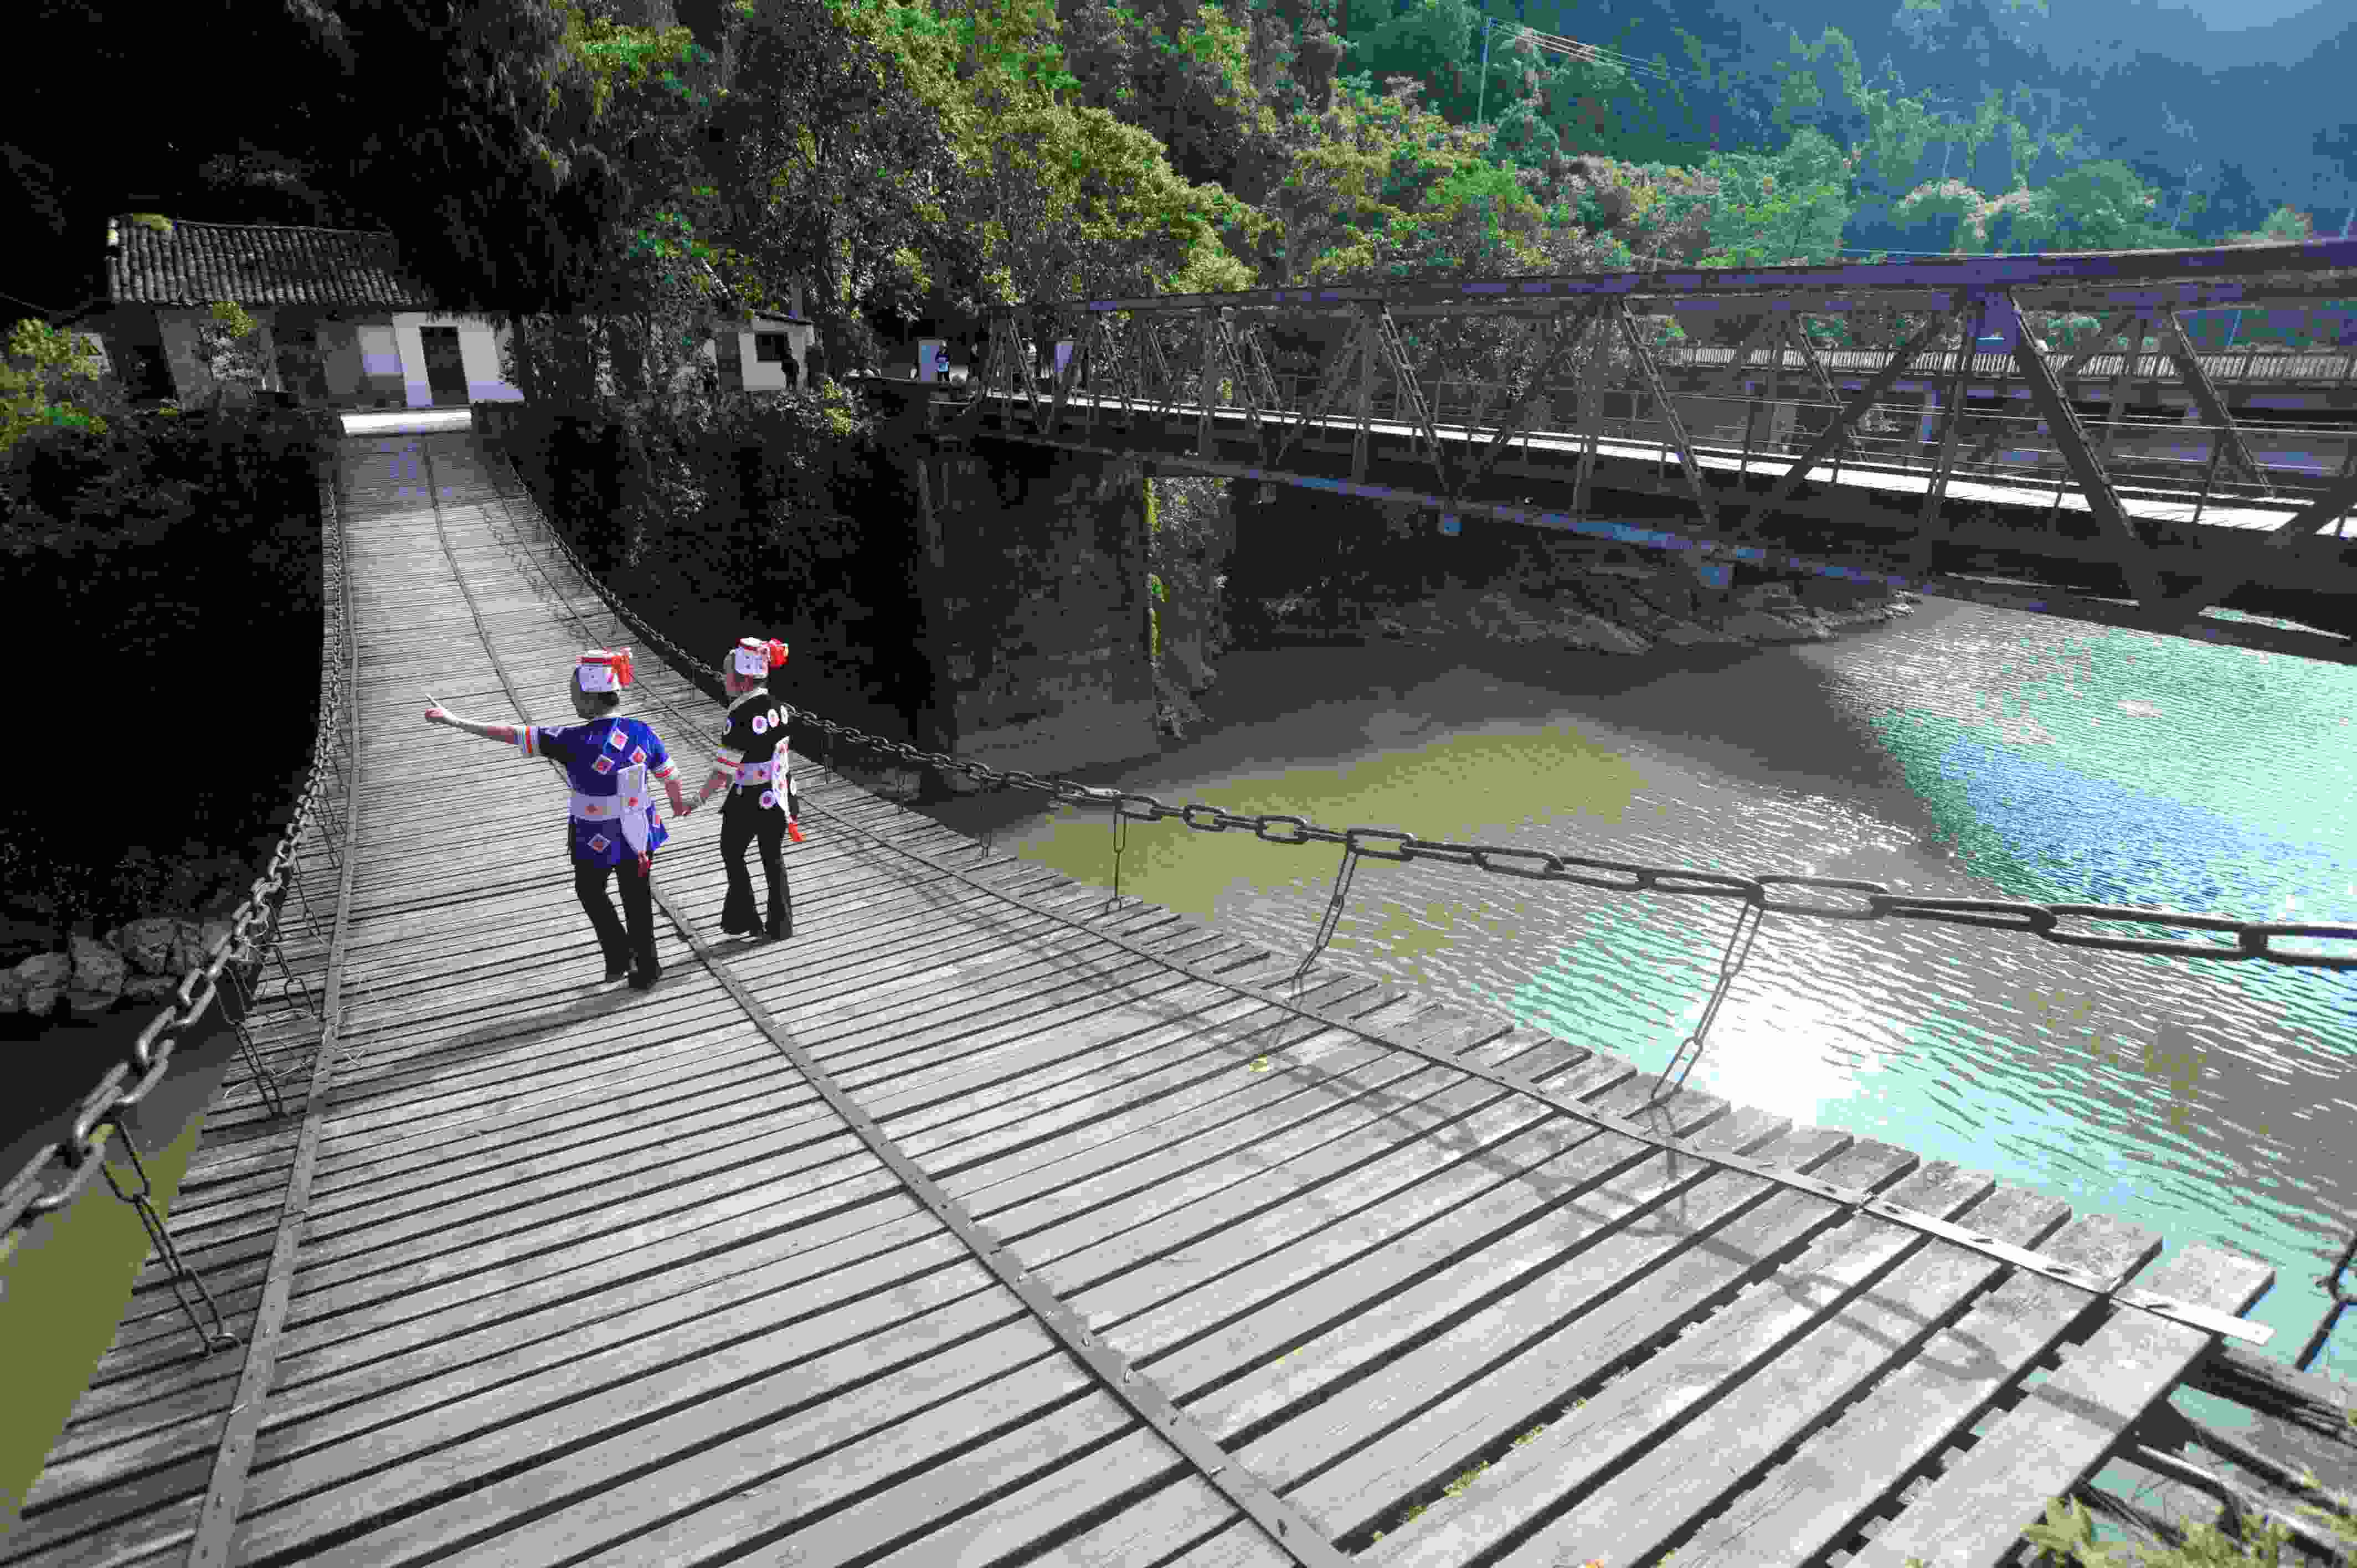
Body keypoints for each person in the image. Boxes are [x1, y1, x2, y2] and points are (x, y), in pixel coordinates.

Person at [423, 649, 690, 989]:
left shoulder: (571, 740)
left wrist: (457, 721)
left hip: (594, 835)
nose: (571, 699)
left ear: (590, 701)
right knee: (637, 899)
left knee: (590, 890)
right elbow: (670, 775)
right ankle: (648, 969)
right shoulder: (643, 731)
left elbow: (511, 733)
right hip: (640, 831)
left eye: (574, 693)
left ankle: (619, 952)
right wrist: (677, 803)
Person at [684, 637, 804, 940]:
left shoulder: (740, 715)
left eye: (727, 673)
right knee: (772, 858)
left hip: (749, 798)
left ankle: (744, 916)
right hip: (779, 795)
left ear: (744, 679)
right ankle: (781, 925)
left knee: (732, 850)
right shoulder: (782, 708)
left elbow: (724, 770)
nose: (722, 679)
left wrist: (698, 799)